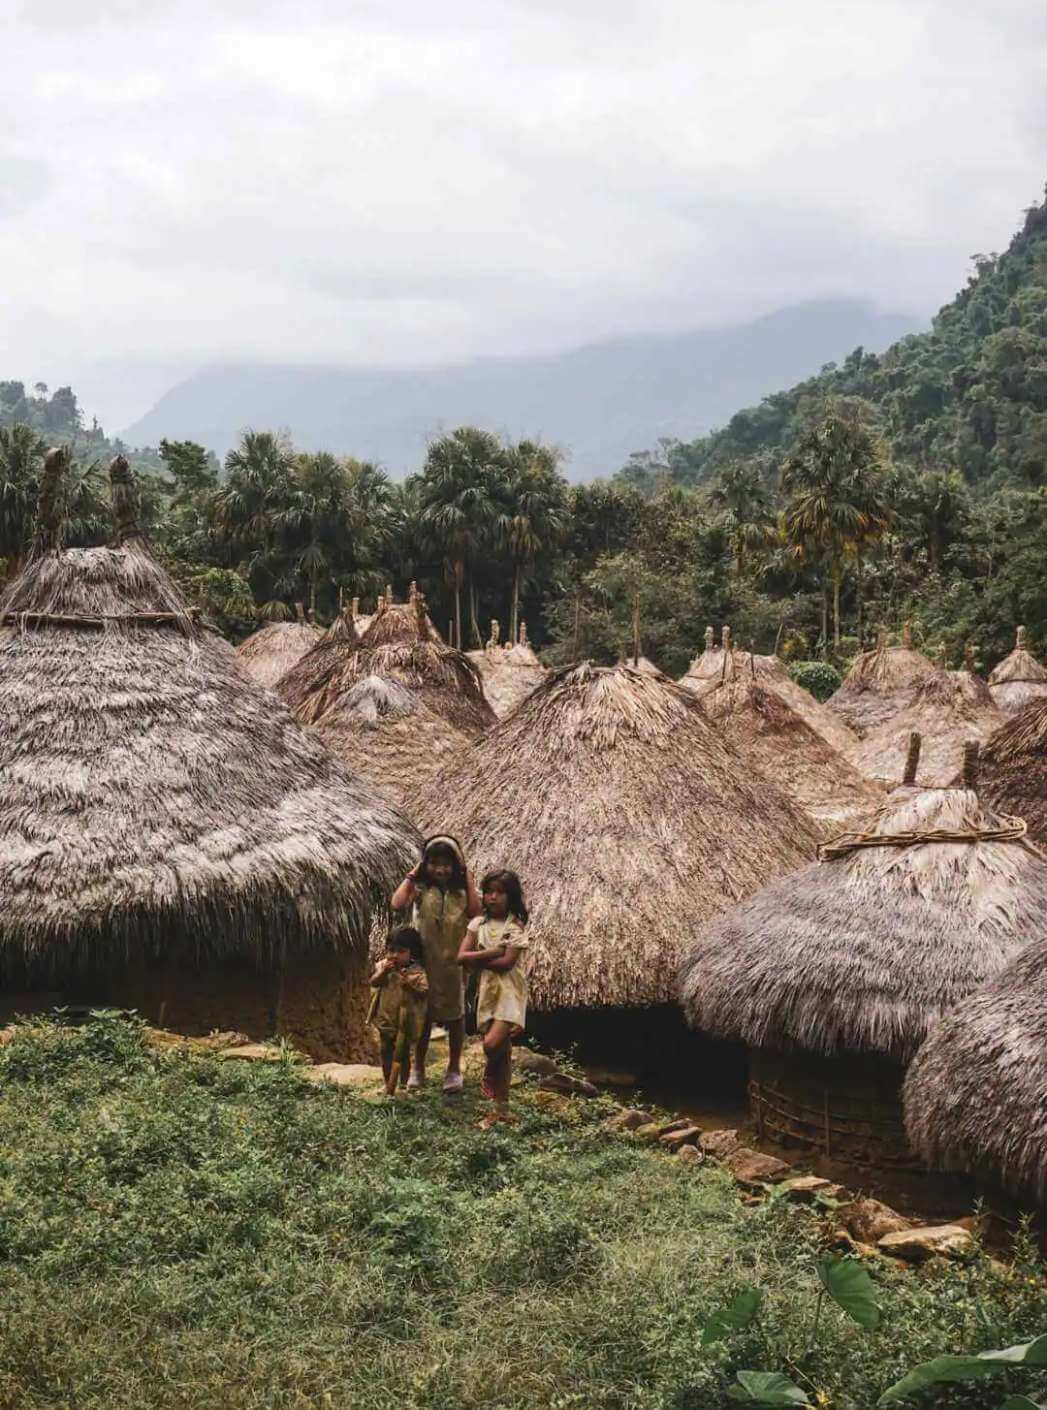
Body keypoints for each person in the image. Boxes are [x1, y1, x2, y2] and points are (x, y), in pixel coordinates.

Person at [390, 835, 481, 1093]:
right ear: (426, 864)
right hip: (425, 964)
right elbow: (397, 903)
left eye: (446, 864)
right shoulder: (421, 889)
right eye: (434, 863)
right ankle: (418, 1068)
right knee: (424, 1016)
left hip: (453, 965)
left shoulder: (462, 892)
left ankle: (453, 1069)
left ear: (456, 865)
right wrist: (413, 874)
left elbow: (476, 913)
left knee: (456, 1017)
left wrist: (468, 879)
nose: (440, 870)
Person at [458, 869, 530, 1127]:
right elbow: (461, 957)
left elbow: (506, 963)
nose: (493, 897)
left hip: (510, 992)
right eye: (489, 892)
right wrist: (493, 952)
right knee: (504, 1051)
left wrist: (478, 958)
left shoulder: (514, 926)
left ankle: (489, 1075)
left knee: (491, 1045)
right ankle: (502, 1108)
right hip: (487, 991)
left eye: (500, 892)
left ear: (511, 897)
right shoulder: (477, 924)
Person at [368, 927, 430, 1095]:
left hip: (405, 1021)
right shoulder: (383, 966)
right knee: (385, 1050)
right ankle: (388, 1083)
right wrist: (384, 973)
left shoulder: (417, 972)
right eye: (391, 950)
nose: (394, 955)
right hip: (386, 1017)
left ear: (412, 952)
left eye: (401, 951)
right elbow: (373, 982)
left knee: (402, 1053)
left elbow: (424, 991)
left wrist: (409, 986)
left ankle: (402, 1084)